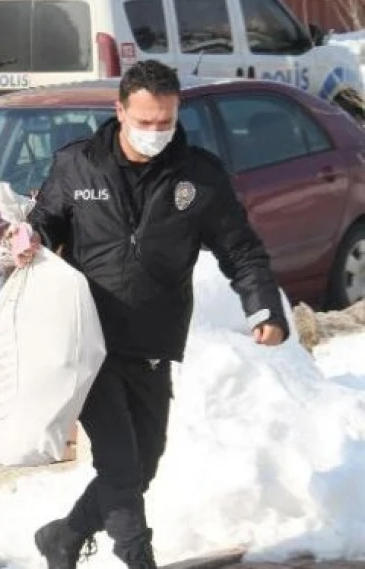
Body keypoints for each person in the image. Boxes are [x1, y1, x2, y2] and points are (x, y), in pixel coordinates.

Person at [17, 59, 288, 569]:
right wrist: (28, 240)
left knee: (144, 465)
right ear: (120, 111)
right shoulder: (79, 165)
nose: (156, 133)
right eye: (144, 122)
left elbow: (241, 251)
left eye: (165, 121)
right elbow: (44, 223)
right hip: (88, 341)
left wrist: (264, 308)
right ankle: (139, 559)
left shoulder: (198, 177)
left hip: (153, 342)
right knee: (120, 465)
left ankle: (65, 536)